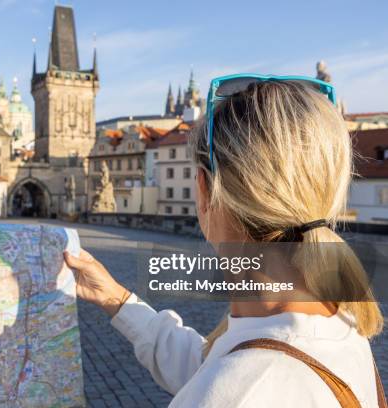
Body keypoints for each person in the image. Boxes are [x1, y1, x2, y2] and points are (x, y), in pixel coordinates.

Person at [64, 78, 386, 407]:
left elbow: (232, 384)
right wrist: (117, 300)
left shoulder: (245, 388)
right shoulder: (336, 322)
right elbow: (217, 366)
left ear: (204, 189)